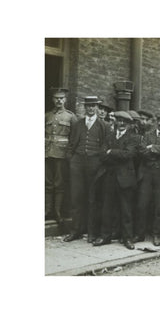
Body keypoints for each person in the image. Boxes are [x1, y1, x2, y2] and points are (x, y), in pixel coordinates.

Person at [64, 96, 108, 243]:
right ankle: (75, 231)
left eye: (93, 106)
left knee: (93, 199)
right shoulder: (78, 123)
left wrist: (99, 161)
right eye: (88, 106)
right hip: (77, 163)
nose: (90, 108)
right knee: (76, 198)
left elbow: (105, 146)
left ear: (97, 107)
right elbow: (71, 144)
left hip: (94, 165)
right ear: (84, 107)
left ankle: (92, 232)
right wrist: (71, 160)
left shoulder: (103, 125)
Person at [92, 111, 137, 250]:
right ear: (116, 122)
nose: (121, 123)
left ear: (128, 124)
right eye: (119, 120)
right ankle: (105, 236)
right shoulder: (110, 136)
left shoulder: (133, 138)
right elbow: (101, 155)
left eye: (124, 121)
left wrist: (111, 152)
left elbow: (128, 155)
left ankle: (127, 239)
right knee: (107, 208)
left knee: (126, 210)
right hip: (109, 177)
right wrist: (113, 153)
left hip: (125, 178)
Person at [134, 113, 160, 246]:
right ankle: (140, 234)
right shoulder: (148, 134)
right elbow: (141, 151)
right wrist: (159, 151)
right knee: (142, 204)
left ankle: (157, 234)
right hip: (146, 173)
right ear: (156, 121)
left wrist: (152, 148)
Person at [45, 88, 77, 224]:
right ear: (53, 99)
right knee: (47, 183)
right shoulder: (46, 115)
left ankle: (57, 212)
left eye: (61, 98)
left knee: (59, 183)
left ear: (65, 100)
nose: (58, 100)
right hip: (46, 152)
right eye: (56, 98)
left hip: (61, 154)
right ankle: (47, 211)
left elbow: (74, 137)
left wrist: (69, 154)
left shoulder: (71, 117)